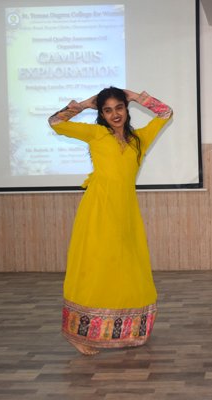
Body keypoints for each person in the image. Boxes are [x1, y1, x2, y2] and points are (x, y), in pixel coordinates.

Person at [48, 87, 173, 355]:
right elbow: (56, 122)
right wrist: (84, 104)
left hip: (126, 213)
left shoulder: (139, 138)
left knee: (126, 267)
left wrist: (137, 97)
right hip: (98, 210)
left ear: (126, 109)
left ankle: (125, 328)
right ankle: (78, 334)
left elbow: (166, 113)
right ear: (102, 114)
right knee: (96, 267)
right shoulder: (96, 134)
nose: (115, 114)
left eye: (119, 107)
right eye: (108, 110)